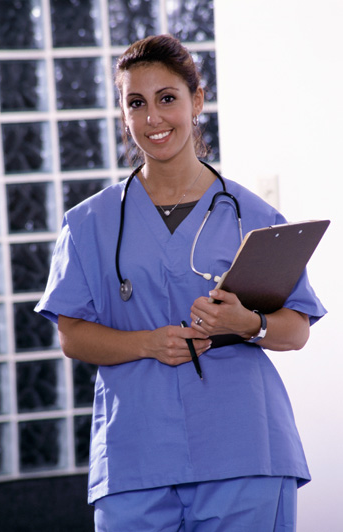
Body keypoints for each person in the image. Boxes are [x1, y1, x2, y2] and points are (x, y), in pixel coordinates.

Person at [35, 34, 326, 531]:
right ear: (123, 114)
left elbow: (295, 330)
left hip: (244, 451)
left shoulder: (252, 216)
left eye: (167, 98)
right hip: (136, 457)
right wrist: (147, 343)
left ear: (197, 100)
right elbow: (72, 335)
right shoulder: (89, 223)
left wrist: (247, 322)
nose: (153, 119)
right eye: (136, 103)